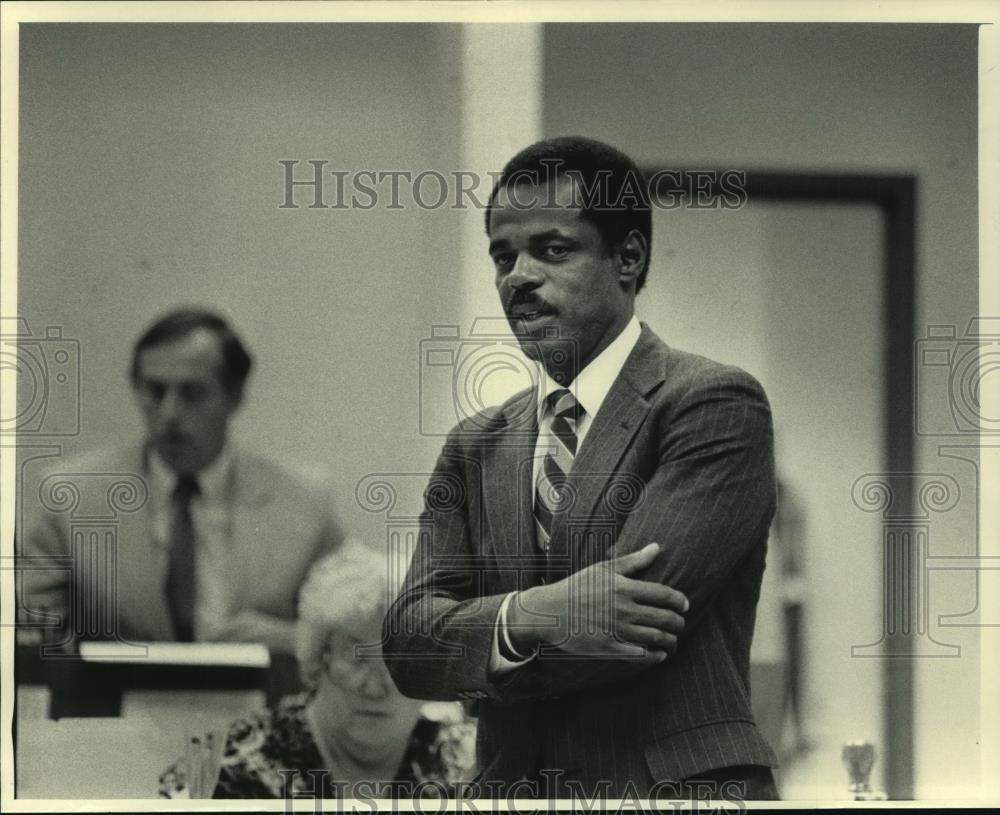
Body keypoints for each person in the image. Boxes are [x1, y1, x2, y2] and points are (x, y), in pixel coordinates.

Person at [383, 137, 779, 800]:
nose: (518, 276)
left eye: (552, 248)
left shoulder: (710, 403)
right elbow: (407, 649)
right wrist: (533, 613)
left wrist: (482, 636)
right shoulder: (474, 444)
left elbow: (625, 627)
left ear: (628, 258)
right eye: (503, 255)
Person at [20, 308, 343, 650]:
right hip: (110, 700)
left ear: (235, 395)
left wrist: (292, 641)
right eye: (154, 391)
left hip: (257, 699)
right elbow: (30, 640)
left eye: (192, 393)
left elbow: (350, 634)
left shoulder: (304, 500)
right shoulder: (69, 495)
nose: (169, 414)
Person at [159, 542, 477, 799]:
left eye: (400, 666)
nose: (376, 688)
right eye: (356, 660)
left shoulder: (469, 761)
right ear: (316, 660)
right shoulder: (234, 766)